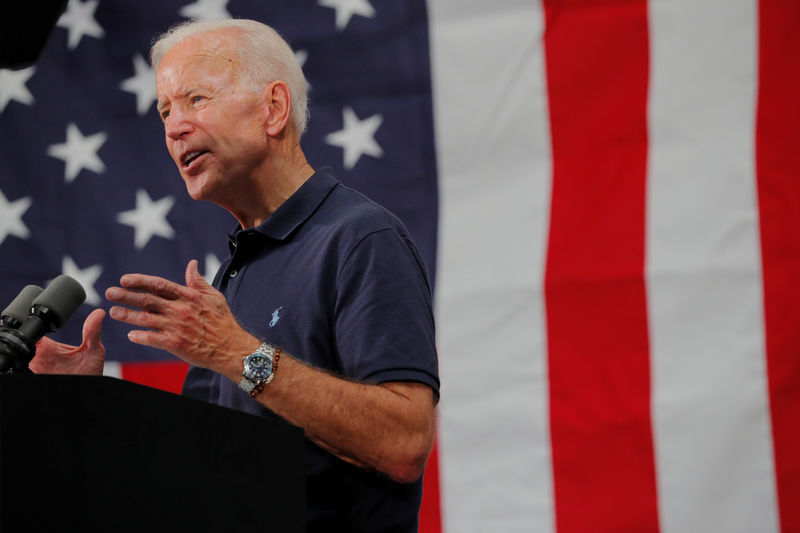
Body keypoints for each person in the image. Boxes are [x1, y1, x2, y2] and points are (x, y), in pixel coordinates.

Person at [32, 19, 439, 533]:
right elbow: (194, 475)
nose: (174, 127)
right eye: (164, 111)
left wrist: (234, 353)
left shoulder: (360, 238)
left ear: (274, 108)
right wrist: (88, 410)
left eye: (195, 99)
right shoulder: (235, 272)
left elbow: (402, 444)